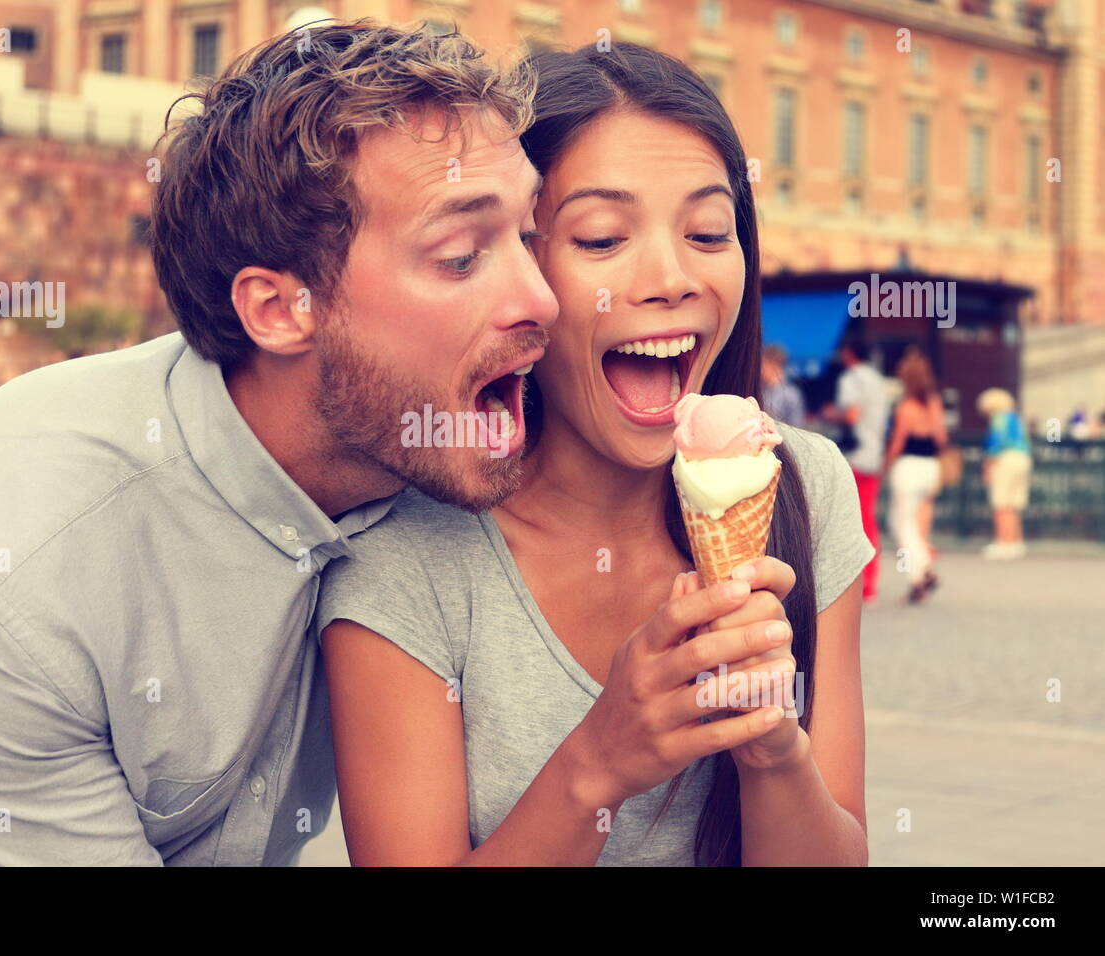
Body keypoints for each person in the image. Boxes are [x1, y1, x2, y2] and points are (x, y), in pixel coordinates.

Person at [0, 22, 557, 865]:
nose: (542, 298)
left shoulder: (427, 445)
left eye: (529, 235)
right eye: (461, 255)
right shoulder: (3, 575)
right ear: (278, 311)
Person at [317, 44, 874, 866]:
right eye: (603, 238)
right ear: (520, 272)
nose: (671, 276)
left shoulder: (803, 485)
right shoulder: (402, 553)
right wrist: (600, 764)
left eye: (709, 231)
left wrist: (772, 750)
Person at [826, 335, 888, 606]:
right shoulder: (878, 380)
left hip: (852, 455)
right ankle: (870, 584)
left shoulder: (850, 379)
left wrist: (831, 415)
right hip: (873, 455)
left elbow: (851, 416)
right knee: (868, 521)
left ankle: (848, 586)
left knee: (844, 521)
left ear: (849, 353)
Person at [882, 352, 948, 603]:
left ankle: (920, 574)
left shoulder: (906, 407)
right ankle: (924, 570)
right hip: (931, 466)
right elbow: (941, 439)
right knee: (911, 523)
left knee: (901, 524)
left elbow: (898, 443)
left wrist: (885, 466)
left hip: (908, 466)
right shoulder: (934, 402)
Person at [978, 387, 1033, 560]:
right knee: (1014, 504)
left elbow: (996, 443)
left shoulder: (999, 419)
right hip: (1023, 459)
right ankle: (1016, 542)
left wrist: (987, 466)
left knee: (1001, 503)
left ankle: (1003, 542)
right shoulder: (1016, 419)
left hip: (1005, 460)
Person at [760, 343, 806, 426]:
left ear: (773, 364)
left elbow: (796, 426)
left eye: (763, 364)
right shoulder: (761, 389)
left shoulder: (791, 394)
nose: (761, 370)